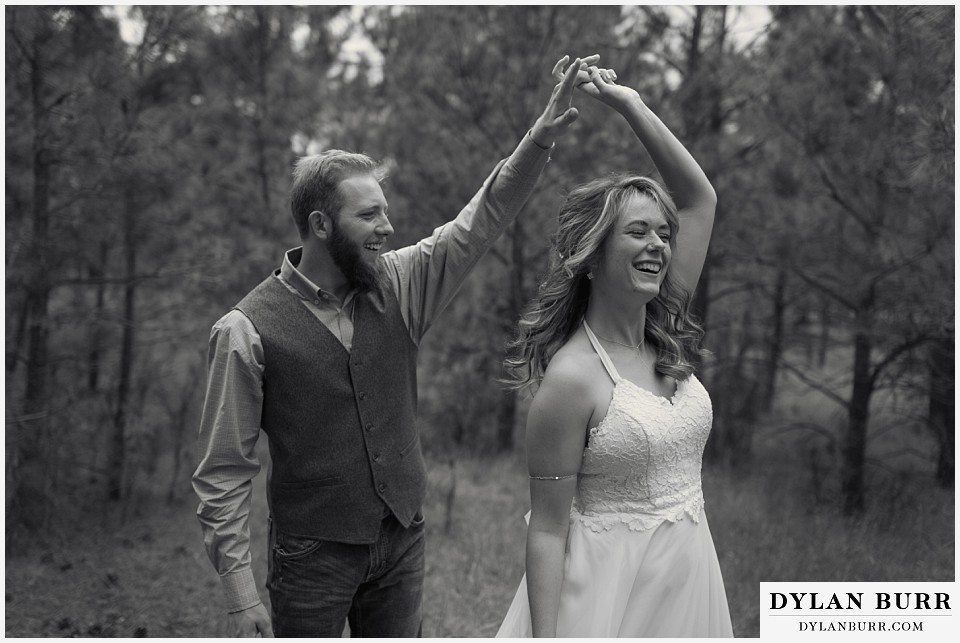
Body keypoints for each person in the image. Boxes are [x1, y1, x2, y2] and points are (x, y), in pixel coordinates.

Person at [192, 54, 599, 638]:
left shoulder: (400, 282)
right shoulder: (245, 331)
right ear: (321, 225)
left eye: (386, 212)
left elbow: (479, 220)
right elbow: (223, 472)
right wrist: (238, 594)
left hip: (403, 540)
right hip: (311, 558)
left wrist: (539, 137)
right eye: (369, 215)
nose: (388, 227)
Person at [496, 63, 733, 637]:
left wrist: (630, 105)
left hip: (688, 584)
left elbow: (700, 200)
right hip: (607, 598)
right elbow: (548, 531)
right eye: (637, 232)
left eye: (663, 234)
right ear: (593, 256)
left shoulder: (663, 321)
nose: (658, 245)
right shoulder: (573, 379)